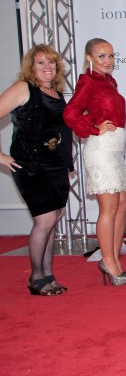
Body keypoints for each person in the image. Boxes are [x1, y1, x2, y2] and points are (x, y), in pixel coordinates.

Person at [0, 45, 72, 295]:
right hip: (31, 164)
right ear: (31, 67)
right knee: (44, 220)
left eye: (51, 62)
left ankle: (48, 276)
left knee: (53, 218)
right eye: (41, 63)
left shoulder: (56, 92)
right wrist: (0, 156)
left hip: (55, 163)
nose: (47, 67)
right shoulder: (23, 88)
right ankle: (36, 278)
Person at [63, 38, 126, 286]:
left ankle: (114, 258)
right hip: (101, 150)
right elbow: (70, 113)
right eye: (102, 56)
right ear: (89, 58)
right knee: (109, 207)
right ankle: (108, 261)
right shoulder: (88, 81)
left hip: (115, 150)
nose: (108, 61)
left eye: (111, 56)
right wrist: (93, 128)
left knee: (121, 205)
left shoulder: (109, 82)